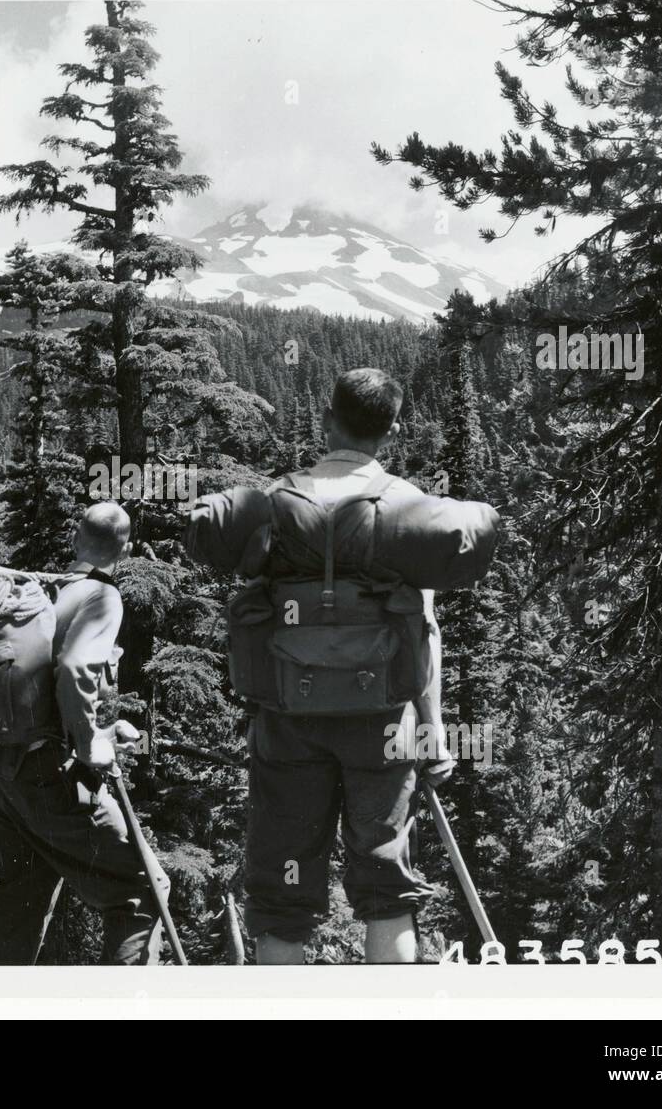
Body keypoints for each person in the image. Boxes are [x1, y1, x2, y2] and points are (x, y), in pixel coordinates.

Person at [247, 368, 454, 965]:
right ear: (390, 431)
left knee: (283, 897)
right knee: (388, 890)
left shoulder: (276, 501)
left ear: (326, 419)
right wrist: (432, 728)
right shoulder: (406, 507)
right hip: (383, 722)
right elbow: (424, 627)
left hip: (288, 719)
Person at [0, 502, 167, 965]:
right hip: (49, 777)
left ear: (76, 540)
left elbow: (39, 689)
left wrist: (98, 727)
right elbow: (76, 669)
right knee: (142, 890)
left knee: (9, 916)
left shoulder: (40, 593)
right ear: (125, 552)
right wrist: (91, 744)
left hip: (0, 774)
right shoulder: (101, 596)